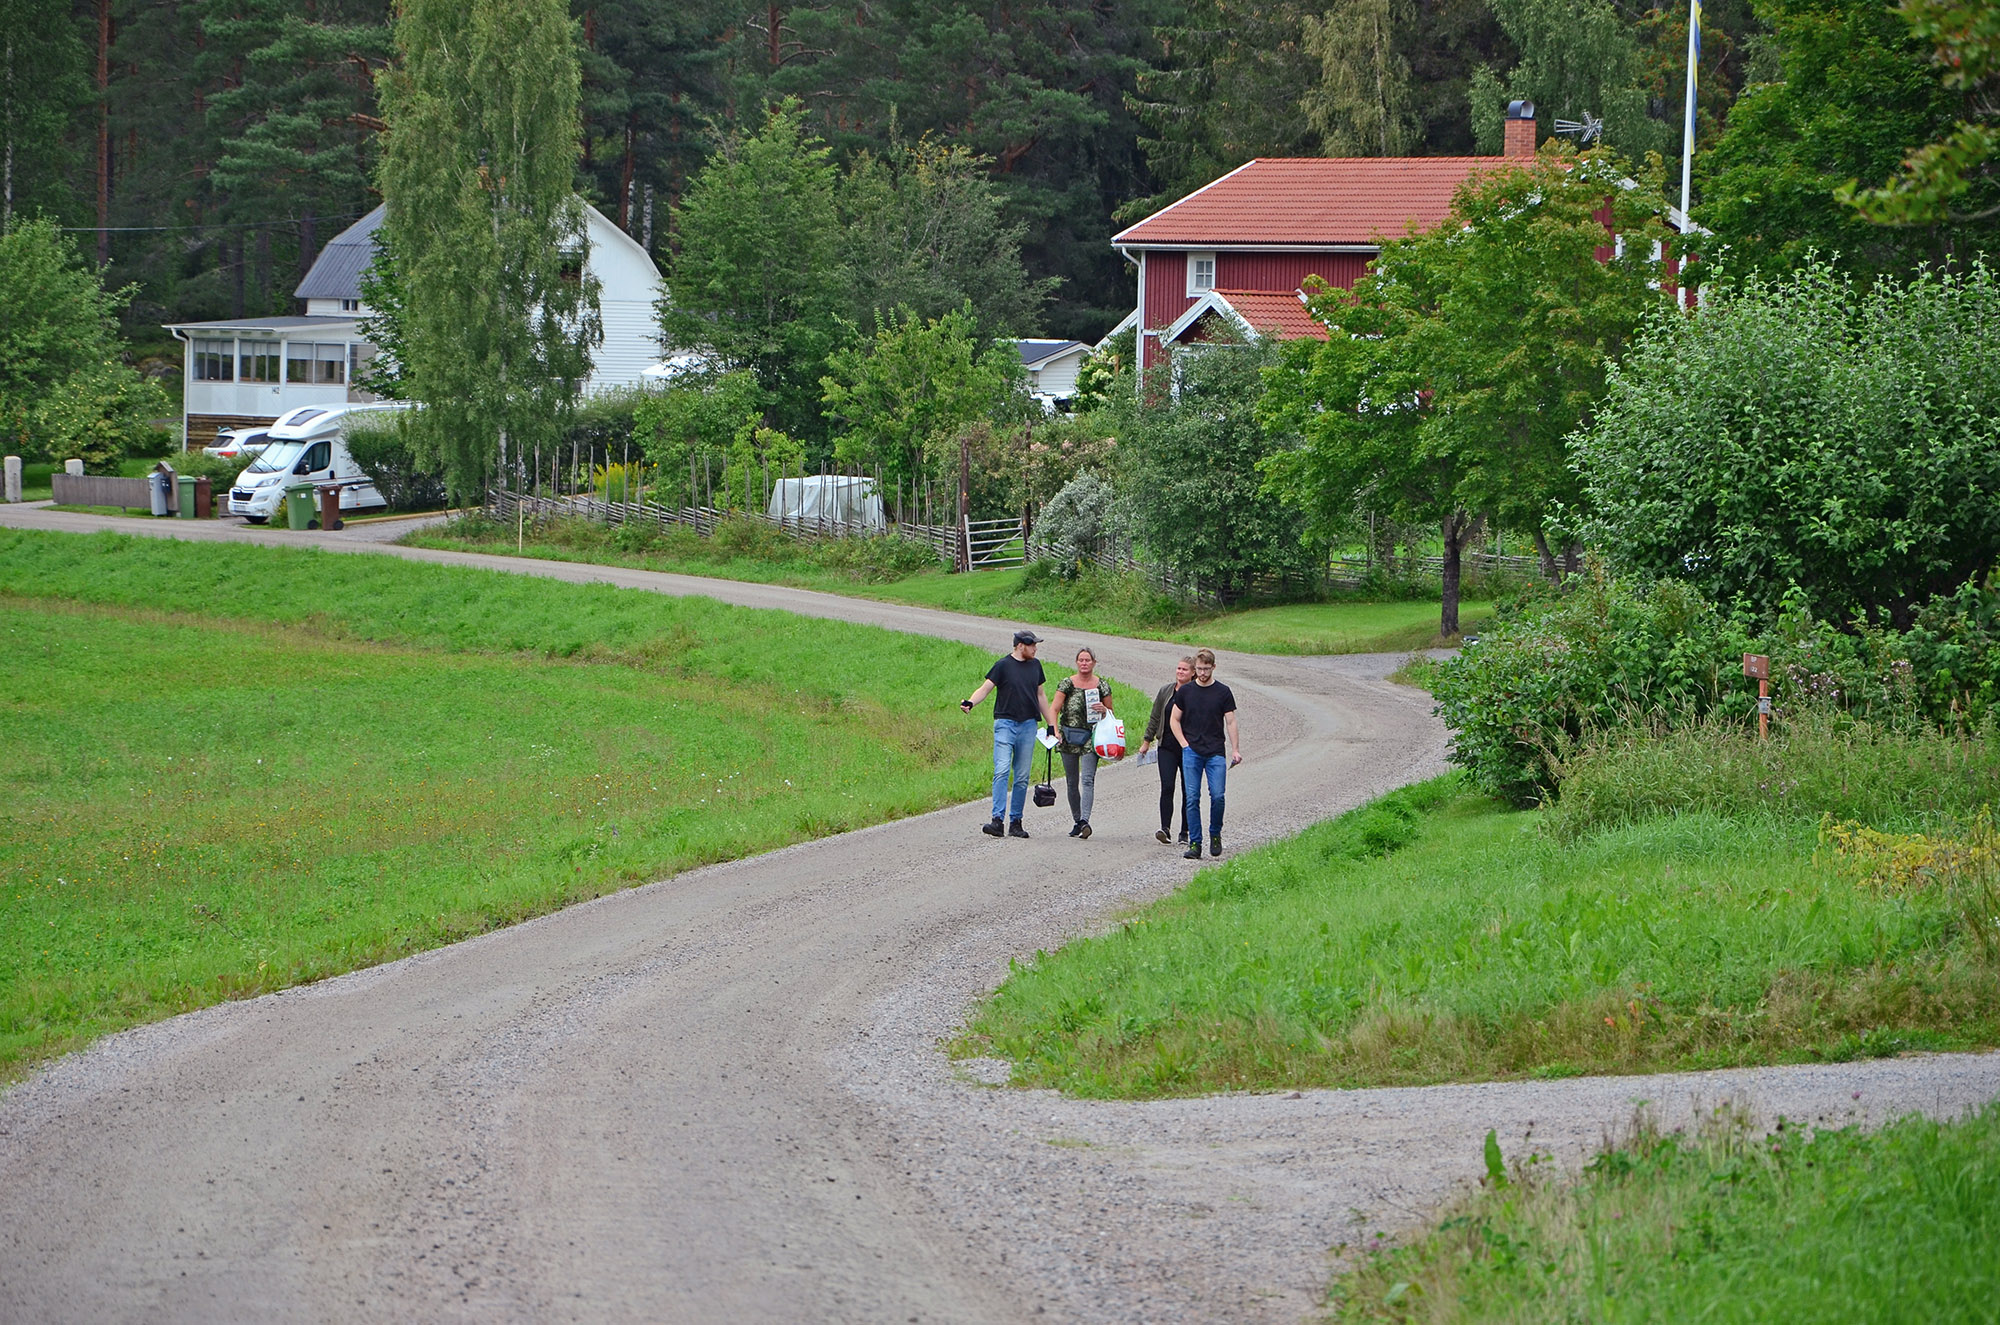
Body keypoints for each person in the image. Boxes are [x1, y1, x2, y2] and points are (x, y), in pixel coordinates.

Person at [962, 630, 1059, 838]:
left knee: (1022, 776)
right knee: (1002, 770)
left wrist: (1051, 724)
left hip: (1028, 725)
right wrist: (971, 702)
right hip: (1005, 724)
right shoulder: (1003, 665)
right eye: (1032, 644)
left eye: (1036, 645)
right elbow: (986, 688)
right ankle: (997, 820)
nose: (1035, 648)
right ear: (1020, 645)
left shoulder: (1036, 666)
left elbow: (1040, 695)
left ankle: (1016, 821)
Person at [1169, 648, 1242, 859]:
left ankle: (1215, 833)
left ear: (1213, 668)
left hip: (1215, 752)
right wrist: (1184, 744)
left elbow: (1231, 721)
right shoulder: (1186, 692)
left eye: (1206, 669)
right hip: (1192, 751)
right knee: (1192, 797)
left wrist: (1235, 749)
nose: (1202, 673)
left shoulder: (1223, 692)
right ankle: (1195, 843)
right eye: (1199, 669)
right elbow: (1175, 719)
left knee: (1218, 796)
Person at [1053, 647, 1115, 839]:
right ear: (1076, 662)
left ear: (1094, 663)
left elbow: (1111, 712)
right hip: (1069, 735)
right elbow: (1054, 709)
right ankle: (1077, 820)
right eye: (1081, 660)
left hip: (1091, 736)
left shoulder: (1102, 685)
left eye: (1088, 660)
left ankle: (1085, 820)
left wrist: (1103, 709)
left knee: (1087, 779)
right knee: (1072, 781)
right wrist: (1055, 732)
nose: (1084, 663)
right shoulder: (1067, 684)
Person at [1139, 656, 1194, 845]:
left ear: (1193, 673)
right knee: (1167, 786)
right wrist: (1147, 740)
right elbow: (1155, 716)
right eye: (1178, 668)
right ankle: (1165, 828)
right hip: (1167, 746)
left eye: (1185, 669)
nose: (1180, 672)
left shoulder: (1196, 693)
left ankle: (1185, 831)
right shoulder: (1166, 691)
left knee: (1189, 790)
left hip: (1189, 748)